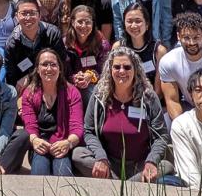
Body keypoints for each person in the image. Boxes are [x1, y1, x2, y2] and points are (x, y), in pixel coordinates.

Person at [73, 46, 170, 182]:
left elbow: (162, 135)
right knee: (78, 154)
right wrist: (101, 157)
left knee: (165, 166)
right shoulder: (100, 94)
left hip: (140, 164)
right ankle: (128, 187)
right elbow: (89, 131)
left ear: (135, 70)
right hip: (109, 163)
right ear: (110, 69)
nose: (121, 71)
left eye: (127, 67)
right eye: (117, 67)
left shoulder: (148, 96)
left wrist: (152, 161)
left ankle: (116, 185)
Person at [19, 48, 83, 176]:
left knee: (63, 176)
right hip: (40, 144)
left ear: (60, 68)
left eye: (53, 64)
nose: (49, 69)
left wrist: (68, 143)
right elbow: (30, 126)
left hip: (63, 143)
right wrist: (35, 140)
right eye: (44, 64)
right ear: (37, 69)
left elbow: (77, 127)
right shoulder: (29, 94)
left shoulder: (72, 92)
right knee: (40, 175)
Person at [4, 0, 66, 91]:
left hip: (52, 82)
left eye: (32, 13)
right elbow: (12, 78)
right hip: (26, 89)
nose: (28, 18)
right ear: (16, 16)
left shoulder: (53, 34)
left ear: (39, 15)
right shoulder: (12, 44)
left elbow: (61, 64)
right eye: (24, 13)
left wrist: (30, 78)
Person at [63, 5, 109, 106]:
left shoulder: (102, 44)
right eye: (80, 22)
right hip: (69, 85)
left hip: (93, 85)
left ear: (93, 23)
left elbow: (105, 72)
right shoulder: (64, 44)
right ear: (72, 22)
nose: (84, 26)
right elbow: (62, 71)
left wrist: (91, 75)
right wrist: (74, 78)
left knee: (91, 92)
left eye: (88, 22)